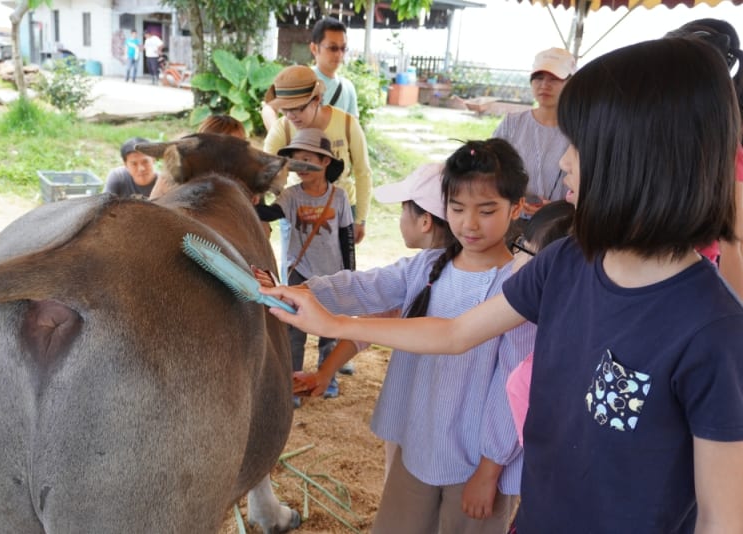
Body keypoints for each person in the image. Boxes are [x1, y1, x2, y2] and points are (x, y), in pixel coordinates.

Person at [262, 37, 743, 532]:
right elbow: (453, 333)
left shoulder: (714, 331)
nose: (562, 163)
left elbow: (722, 520)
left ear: (641, 159)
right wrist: (333, 319)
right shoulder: (565, 264)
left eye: (578, 145)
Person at [281, 140, 535, 532]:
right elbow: (365, 288)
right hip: (418, 441)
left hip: (476, 461)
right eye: (457, 209)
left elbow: (512, 386)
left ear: (516, 208)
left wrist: (490, 469)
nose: (469, 224)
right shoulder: (429, 265)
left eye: (487, 211)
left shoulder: (518, 285)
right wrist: (299, 292)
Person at [290, 162, 454, 402]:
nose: (400, 218)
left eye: (402, 209)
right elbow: (370, 324)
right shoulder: (427, 270)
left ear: (425, 221)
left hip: (424, 403)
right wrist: (324, 372)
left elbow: (360, 289)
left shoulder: (414, 273)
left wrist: (295, 292)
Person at [263, 65, 372, 378]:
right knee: (297, 296)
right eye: (286, 110)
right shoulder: (282, 130)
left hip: (339, 205)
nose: (292, 116)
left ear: (317, 99)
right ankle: (295, 366)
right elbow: (268, 172)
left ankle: (335, 358)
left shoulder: (347, 124)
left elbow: (363, 172)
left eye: (299, 108)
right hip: (296, 209)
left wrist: (360, 217)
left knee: (335, 298)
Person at [255, 128, 355, 409]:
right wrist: (257, 192)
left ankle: (328, 380)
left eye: (307, 160)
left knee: (330, 332)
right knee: (294, 332)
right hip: (299, 275)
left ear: (325, 162)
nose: (301, 168)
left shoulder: (339, 197)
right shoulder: (290, 196)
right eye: (296, 162)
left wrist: (351, 275)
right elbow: (268, 214)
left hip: (333, 274)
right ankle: (294, 385)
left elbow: (347, 237)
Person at [666, 18, 743, 299]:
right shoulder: (648, 131)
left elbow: (732, 241)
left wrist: (733, 321)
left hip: (688, 287)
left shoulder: (725, 149)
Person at [504, 200, 575, 446]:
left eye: (527, 250)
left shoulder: (530, 336)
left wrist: (488, 466)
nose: (518, 256)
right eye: (521, 244)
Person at [493, 47, 575, 239]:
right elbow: (491, 168)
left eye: (554, 78)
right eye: (538, 77)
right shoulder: (513, 123)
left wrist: (557, 209)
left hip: (562, 228)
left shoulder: (580, 129)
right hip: (511, 223)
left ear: (571, 83)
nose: (544, 85)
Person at [261, 17, 359, 131]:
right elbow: (268, 108)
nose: (339, 54)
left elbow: (353, 128)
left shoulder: (348, 87)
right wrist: (279, 136)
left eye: (343, 48)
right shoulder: (298, 78)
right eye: (333, 48)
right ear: (314, 48)